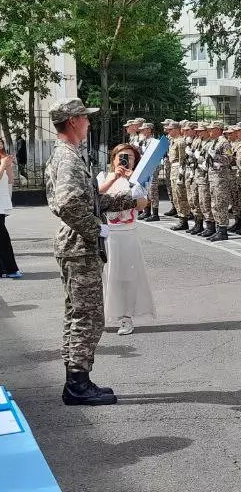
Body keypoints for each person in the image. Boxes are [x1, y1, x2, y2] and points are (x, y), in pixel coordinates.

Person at [44, 98, 148, 405]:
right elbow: (67, 204)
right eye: (86, 119)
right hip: (79, 246)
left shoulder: (70, 155)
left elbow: (90, 201)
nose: (89, 123)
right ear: (74, 121)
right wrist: (96, 230)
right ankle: (77, 384)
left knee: (80, 314)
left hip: (77, 246)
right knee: (87, 317)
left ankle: (78, 379)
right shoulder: (68, 159)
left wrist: (129, 202)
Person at [97, 144, 156, 335]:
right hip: (107, 234)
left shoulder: (138, 181)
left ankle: (126, 317)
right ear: (113, 159)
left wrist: (132, 181)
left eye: (130, 158)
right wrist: (114, 177)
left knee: (127, 278)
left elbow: (142, 205)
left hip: (128, 234)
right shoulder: (103, 177)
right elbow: (96, 198)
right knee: (106, 276)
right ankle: (103, 316)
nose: (125, 160)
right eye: (122, 156)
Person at [0, 141, 22, 278]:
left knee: (2, 237)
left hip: (1, 201)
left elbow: (10, 180)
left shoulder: (4, 159)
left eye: (1, 143)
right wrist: (3, 165)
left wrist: (9, 167)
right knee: (3, 237)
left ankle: (6, 269)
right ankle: (9, 269)